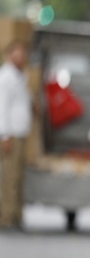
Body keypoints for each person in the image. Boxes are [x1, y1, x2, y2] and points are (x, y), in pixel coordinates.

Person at [0, 41, 33, 229]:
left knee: (18, 178)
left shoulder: (21, 76)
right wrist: (4, 135)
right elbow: (2, 107)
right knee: (9, 179)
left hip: (21, 132)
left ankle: (16, 215)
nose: (22, 57)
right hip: (10, 134)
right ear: (10, 54)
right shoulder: (5, 77)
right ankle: (6, 217)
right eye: (18, 53)